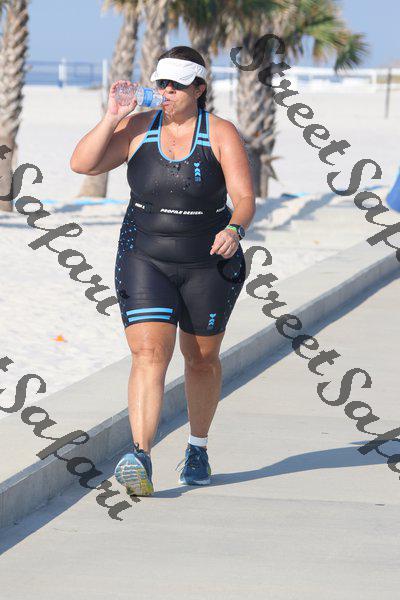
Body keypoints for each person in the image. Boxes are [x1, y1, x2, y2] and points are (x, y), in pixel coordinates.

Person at [70, 46, 255, 497]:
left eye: (176, 85)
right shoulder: (138, 127)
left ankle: (197, 447)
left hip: (209, 261)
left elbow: (245, 197)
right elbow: (82, 163)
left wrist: (234, 229)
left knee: (201, 359)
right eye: (161, 83)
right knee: (149, 354)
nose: (166, 91)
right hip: (144, 256)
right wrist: (112, 116)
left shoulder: (220, 132)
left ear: (199, 88)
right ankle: (141, 455)